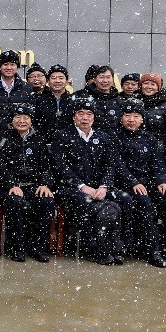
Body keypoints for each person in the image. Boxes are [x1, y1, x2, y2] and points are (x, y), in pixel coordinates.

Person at [111, 99, 166, 268]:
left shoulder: (150, 138)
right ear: (121, 118)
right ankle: (152, 250)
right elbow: (117, 165)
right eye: (127, 115)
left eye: (136, 116)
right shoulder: (114, 137)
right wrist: (133, 182)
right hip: (124, 184)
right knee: (145, 203)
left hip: (149, 183)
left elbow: (158, 164)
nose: (131, 120)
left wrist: (162, 181)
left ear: (142, 119)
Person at [50, 95, 125, 265]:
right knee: (95, 205)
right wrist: (82, 186)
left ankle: (117, 248)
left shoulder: (103, 137)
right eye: (81, 114)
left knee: (124, 200)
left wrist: (104, 186)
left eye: (89, 114)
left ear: (94, 117)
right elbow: (60, 167)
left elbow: (110, 165)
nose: (85, 118)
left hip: (99, 187)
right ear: (74, 116)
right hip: (71, 188)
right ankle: (95, 248)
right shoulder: (62, 136)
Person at [0, 103, 56, 262]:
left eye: (26, 117)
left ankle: (38, 248)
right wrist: (11, 184)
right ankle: (16, 248)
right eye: (18, 117)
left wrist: (45, 184)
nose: (22, 121)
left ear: (31, 121)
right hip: (9, 187)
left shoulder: (38, 140)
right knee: (16, 203)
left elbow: (46, 166)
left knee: (46, 201)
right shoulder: (2, 139)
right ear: (12, 120)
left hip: (33, 185)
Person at [0, 50, 33, 137]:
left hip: (18, 136)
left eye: (12, 64)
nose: (9, 68)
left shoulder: (26, 88)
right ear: (0, 67)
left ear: (17, 67)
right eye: (5, 64)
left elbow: (31, 113)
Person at [74, 65, 124, 131]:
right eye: (101, 77)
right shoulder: (84, 98)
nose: (105, 81)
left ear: (113, 79)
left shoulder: (119, 100)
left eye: (108, 77)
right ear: (94, 80)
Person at [32, 65, 74, 138]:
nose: (57, 81)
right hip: (45, 142)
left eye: (61, 78)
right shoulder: (39, 101)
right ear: (48, 81)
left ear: (67, 81)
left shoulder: (73, 101)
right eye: (53, 78)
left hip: (69, 142)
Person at [138, 72, 166, 138]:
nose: (149, 87)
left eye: (153, 84)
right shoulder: (134, 101)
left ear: (158, 88)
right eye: (146, 83)